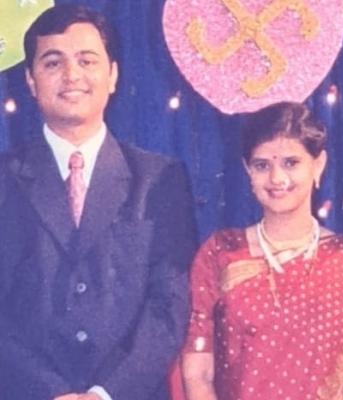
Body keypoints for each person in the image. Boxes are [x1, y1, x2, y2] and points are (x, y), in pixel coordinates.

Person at [0, 4, 196, 400]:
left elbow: (169, 306)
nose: (71, 75)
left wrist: (104, 394)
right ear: (31, 81)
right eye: (53, 62)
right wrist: (50, 391)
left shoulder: (159, 180)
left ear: (113, 75)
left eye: (87, 60)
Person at [178, 102, 343, 400]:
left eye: (291, 163)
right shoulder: (220, 253)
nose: (277, 179)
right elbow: (198, 373)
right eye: (262, 165)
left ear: (318, 165)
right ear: (247, 170)